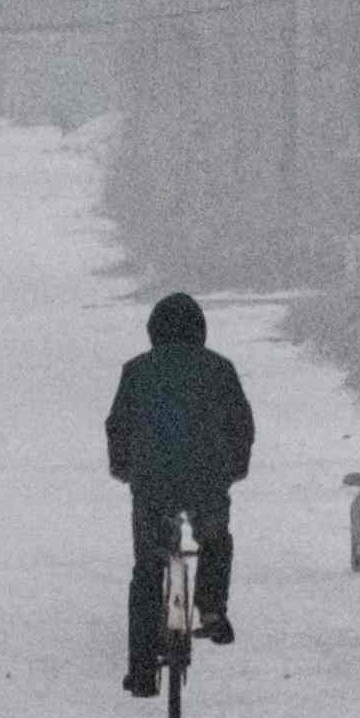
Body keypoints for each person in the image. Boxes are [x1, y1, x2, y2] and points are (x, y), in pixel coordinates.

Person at [105, 290, 254, 691]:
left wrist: (123, 469)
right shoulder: (220, 369)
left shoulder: (136, 370)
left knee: (146, 570)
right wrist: (236, 467)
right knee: (215, 540)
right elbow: (241, 424)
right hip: (206, 477)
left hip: (152, 480)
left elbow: (118, 425)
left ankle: (141, 670)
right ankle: (210, 609)